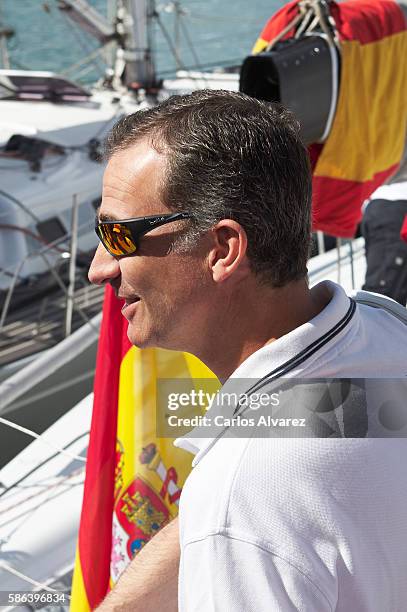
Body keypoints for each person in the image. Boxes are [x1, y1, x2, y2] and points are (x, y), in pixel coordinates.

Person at [88, 90, 407, 611]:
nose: (98, 267)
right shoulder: (383, 330)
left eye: (118, 235)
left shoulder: (243, 500)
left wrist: (226, 505)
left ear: (223, 250)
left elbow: (246, 502)